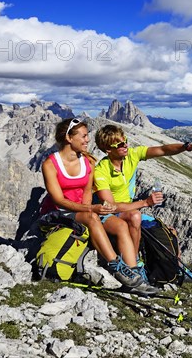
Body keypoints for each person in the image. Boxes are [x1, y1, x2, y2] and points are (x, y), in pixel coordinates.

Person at [40, 118, 158, 295]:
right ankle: (118, 269)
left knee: (120, 225)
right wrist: (90, 210)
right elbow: (58, 200)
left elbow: (87, 192)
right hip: (58, 213)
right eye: (84, 136)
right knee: (91, 217)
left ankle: (134, 274)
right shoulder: (50, 164)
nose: (88, 140)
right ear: (68, 138)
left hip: (84, 211)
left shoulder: (88, 162)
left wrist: (89, 208)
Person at [93, 124, 192, 282]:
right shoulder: (101, 170)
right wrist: (145, 202)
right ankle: (135, 268)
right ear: (108, 149)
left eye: (125, 140)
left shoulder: (131, 156)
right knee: (135, 216)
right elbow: (111, 206)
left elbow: (162, 150)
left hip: (130, 209)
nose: (125, 145)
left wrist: (188, 147)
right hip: (112, 214)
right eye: (119, 144)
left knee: (169, 231)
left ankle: (174, 268)